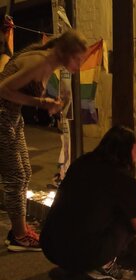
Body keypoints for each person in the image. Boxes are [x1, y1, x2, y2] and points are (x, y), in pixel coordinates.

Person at [40, 126, 136, 280]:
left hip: (51, 245)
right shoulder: (123, 181)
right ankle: (104, 265)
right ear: (125, 152)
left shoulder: (82, 162)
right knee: (129, 222)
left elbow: (92, 200)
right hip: (81, 255)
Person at [0, 30, 87, 252]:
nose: (79, 64)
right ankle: (19, 236)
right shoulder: (40, 61)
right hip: (2, 117)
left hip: (12, 116)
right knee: (15, 176)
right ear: (65, 52)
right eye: (77, 59)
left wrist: (47, 102)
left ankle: (18, 229)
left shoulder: (48, 60)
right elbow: (3, 88)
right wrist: (40, 102)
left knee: (25, 172)